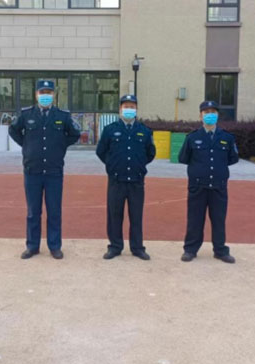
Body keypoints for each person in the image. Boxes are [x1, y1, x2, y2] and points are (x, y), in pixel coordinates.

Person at [9, 79, 80, 260]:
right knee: (33, 212)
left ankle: (54, 246)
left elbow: (74, 134)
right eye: (42, 93)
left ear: (53, 95)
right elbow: (13, 130)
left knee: (54, 211)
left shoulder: (62, 116)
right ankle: (32, 246)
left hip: (54, 172)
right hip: (32, 171)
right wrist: (26, 145)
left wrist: (60, 145)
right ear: (36, 95)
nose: (45, 96)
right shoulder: (26, 114)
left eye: (48, 93)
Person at [96, 94, 156, 260]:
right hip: (116, 180)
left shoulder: (144, 131)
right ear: (120, 109)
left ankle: (137, 248)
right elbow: (101, 151)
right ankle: (115, 247)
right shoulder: (110, 130)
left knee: (136, 215)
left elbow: (151, 153)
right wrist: (112, 165)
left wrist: (139, 164)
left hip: (136, 180)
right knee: (114, 215)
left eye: (132, 107)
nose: (129, 109)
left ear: (136, 109)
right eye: (126, 106)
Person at [178, 100, 239, 264]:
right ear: (200, 116)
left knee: (219, 219)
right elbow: (183, 158)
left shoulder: (227, 137)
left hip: (218, 186)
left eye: (213, 112)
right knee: (195, 219)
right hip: (197, 186)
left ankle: (220, 251)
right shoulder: (192, 137)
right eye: (206, 112)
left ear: (217, 115)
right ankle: (190, 250)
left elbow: (233, 158)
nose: (210, 115)